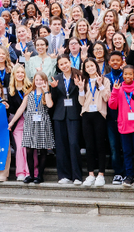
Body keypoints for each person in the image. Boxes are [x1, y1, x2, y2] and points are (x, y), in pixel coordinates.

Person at [9, 72, 54, 184]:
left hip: (42, 123)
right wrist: (12, 122)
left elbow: (49, 105)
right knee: (29, 150)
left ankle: (40, 175)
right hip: (30, 123)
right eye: (36, 80)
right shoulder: (29, 93)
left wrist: (46, 90)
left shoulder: (46, 93)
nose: (38, 82)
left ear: (45, 81)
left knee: (43, 151)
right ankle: (31, 175)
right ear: (34, 81)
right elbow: (21, 109)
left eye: (41, 80)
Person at [108, 65, 134, 187]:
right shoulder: (119, 89)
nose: (128, 76)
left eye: (130, 74)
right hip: (124, 127)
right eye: (125, 74)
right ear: (122, 75)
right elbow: (112, 105)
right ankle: (129, 176)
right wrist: (114, 91)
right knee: (126, 152)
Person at [76, 58, 110, 187]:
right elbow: (81, 102)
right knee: (89, 145)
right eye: (87, 66)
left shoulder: (104, 80)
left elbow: (107, 98)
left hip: (100, 114)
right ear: (84, 69)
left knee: (100, 144)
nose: (90, 68)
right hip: (86, 115)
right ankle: (90, 174)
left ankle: (101, 174)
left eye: (92, 65)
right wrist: (80, 89)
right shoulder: (83, 81)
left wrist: (100, 85)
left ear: (96, 66)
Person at [50, 55, 83, 185]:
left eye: (66, 63)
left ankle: (77, 176)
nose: (64, 66)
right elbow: (54, 99)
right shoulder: (56, 79)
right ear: (58, 67)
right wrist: (53, 88)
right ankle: (64, 175)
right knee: (61, 145)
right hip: (59, 115)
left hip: (74, 114)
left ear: (70, 62)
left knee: (74, 144)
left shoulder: (78, 75)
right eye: (61, 64)